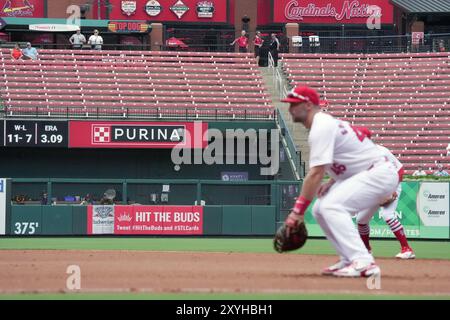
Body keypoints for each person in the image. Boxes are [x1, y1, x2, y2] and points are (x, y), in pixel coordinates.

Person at [281, 85, 399, 277]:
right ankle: (348, 258)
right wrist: (333, 182)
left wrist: (297, 212)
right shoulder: (323, 124)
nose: (290, 109)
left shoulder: (321, 125)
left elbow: (315, 173)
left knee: (331, 206)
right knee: (320, 209)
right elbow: (352, 155)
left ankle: (364, 262)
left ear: (308, 104)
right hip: (370, 172)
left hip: (379, 173)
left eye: (294, 104)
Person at [356, 144, 415, 260]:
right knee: (361, 220)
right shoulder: (357, 155)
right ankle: (366, 251)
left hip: (391, 185)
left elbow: (400, 169)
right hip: (375, 189)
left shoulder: (381, 151)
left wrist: (392, 189)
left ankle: (407, 249)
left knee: (387, 215)